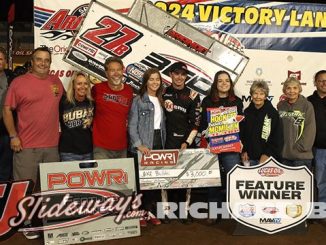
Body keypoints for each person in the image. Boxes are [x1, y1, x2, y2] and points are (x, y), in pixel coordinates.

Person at [3, 46, 64, 239]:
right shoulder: (19, 83)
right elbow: (7, 110)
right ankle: (27, 222)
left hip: (52, 146)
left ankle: (45, 220)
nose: (43, 63)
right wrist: (13, 135)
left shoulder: (56, 82)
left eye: (46, 59)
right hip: (26, 146)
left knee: (47, 188)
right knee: (25, 187)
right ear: (32, 61)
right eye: (39, 59)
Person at [199, 70, 243, 224]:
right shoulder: (207, 101)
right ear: (215, 83)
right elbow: (203, 125)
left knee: (234, 179)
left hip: (231, 147)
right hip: (213, 147)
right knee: (213, 180)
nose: (224, 83)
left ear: (230, 84)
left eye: (227, 81)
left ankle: (235, 211)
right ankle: (213, 212)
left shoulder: (237, 101)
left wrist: (240, 141)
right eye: (220, 81)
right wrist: (208, 137)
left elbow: (240, 124)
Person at [162, 61, 200, 224]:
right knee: (165, 178)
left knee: (187, 179)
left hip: (186, 143)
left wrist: (187, 141)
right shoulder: (162, 93)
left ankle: (185, 212)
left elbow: (196, 122)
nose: (179, 77)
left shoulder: (193, 95)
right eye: (176, 73)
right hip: (166, 142)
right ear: (171, 74)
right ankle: (165, 212)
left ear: (186, 77)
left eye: (183, 74)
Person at [128, 68, 166, 227]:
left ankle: (150, 212)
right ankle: (139, 214)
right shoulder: (138, 100)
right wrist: (138, 145)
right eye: (151, 79)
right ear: (145, 82)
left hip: (159, 142)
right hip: (144, 145)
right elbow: (131, 125)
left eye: (157, 79)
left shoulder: (161, 99)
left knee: (154, 181)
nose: (155, 82)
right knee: (140, 182)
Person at [92, 56, 133, 159]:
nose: (116, 73)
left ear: (123, 71)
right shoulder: (97, 89)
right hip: (101, 148)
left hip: (122, 148)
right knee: (102, 175)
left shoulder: (129, 91)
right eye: (112, 70)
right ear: (106, 73)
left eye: (118, 70)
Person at [241, 80, 283, 165]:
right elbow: (243, 135)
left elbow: (277, 137)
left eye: (261, 94)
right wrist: (244, 150)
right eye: (255, 93)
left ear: (265, 96)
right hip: (249, 159)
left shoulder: (272, 113)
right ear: (251, 95)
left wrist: (268, 154)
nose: (258, 97)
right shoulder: (246, 112)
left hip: (268, 159)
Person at [277, 77, 315, 169]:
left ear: (299, 89)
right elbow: (278, 128)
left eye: (295, 88)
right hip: (284, 156)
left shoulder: (307, 105)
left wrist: (302, 147)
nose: (291, 91)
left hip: (302, 156)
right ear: (284, 90)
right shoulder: (281, 106)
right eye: (288, 88)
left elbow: (310, 128)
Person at [59, 71, 94, 161]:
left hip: (88, 152)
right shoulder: (64, 102)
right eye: (79, 84)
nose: (83, 87)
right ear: (73, 85)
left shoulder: (92, 103)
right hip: (68, 152)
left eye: (85, 83)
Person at [308, 70, 326, 225]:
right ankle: (321, 213)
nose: (324, 83)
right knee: (319, 182)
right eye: (321, 80)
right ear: (315, 82)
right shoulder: (308, 101)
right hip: (317, 149)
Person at [0, 47, 15, 181]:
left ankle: (4, 200)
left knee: (5, 171)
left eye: (0, 59)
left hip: (5, 132)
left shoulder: (12, 78)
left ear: (5, 61)